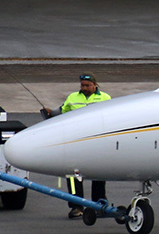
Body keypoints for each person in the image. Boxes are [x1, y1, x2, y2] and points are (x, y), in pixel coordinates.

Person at [43, 74, 111, 217]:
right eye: (82, 85)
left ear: (95, 85)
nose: (84, 88)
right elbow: (62, 111)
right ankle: (76, 207)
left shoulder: (105, 98)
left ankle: (99, 204)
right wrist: (50, 112)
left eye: (87, 85)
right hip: (76, 142)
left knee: (98, 173)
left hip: (97, 142)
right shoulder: (73, 97)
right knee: (72, 175)